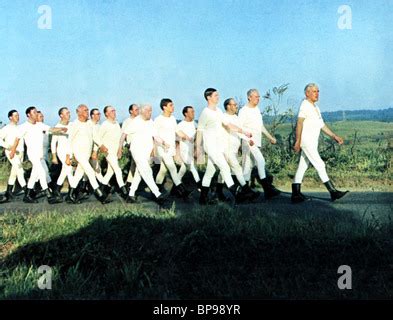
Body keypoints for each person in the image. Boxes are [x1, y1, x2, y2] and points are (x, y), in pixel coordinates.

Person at [195, 88, 255, 204]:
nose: (218, 97)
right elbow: (200, 131)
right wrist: (198, 149)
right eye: (215, 95)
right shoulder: (205, 112)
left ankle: (202, 199)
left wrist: (244, 132)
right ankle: (236, 193)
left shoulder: (218, 111)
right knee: (225, 167)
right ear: (209, 97)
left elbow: (228, 125)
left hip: (219, 145)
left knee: (210, 172)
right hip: (210, 146)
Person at [292, 83, 349, 203]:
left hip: (313, 142)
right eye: (314, 91)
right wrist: (298, 140)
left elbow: (321, 125)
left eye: (318, 91)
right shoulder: (305, 105)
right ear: (307, 93)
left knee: (303, 166)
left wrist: (334, 136)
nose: (317, 94)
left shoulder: (316, 108)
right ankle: (333, 192)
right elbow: (299, 123)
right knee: (320, 164)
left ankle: (296, 194)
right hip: (306, 141)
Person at [9, 106, 65, 204]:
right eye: (34, 112)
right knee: (42, 173)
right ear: (28, 115)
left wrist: (62, 129)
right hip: (33, 155)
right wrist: (13, 150)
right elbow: (17, 139)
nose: (36, 114)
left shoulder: (40, 125)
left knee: (35, 175)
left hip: (41, 155)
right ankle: (49, 196)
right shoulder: (23, 126)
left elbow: (51, 129)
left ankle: (27, 196)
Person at [122, 104, 169, 205]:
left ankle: (130, 194)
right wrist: (119, 148)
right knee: (147, 171)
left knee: (139, 172)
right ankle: (157, 194)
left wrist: (164, 143)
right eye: (148, 111)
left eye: (151, 110)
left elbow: (155, 136)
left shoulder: (151, 122)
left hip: (146, 152)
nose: (150, 113)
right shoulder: (135, 122)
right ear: (142, 111)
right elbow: (124, 134)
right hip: (137, 151)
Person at [238, 89, 281, 199]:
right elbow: (239, 128)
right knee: (260, 160)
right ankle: (267, 189)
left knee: (249, 166)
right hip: (248, 141)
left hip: (256, 141)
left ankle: (243, 192)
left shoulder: (256, 110)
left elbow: (260, 126)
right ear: (249, 97)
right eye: (256, 97)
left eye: (259, 96)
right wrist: (246, 139)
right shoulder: (243, 111)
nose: (258, 99)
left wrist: (270, 137)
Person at [67, 104, 111, 204]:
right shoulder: (75, 124)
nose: (88, 112)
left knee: (78, 174)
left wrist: (101, 145)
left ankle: (70, 195)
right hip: (79, 154)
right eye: (86, 110)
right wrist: (68, 156)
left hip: (86, 154)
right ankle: (101, 196)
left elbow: (95, 136)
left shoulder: (89, 124)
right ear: (79, 112)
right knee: (91, 172)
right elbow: (69, 141)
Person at [219, 98, 259, 202]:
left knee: (223, 171)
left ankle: (218, 193)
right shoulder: (223, 117)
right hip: (225, 148)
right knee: (237, 168)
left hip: (234, 149)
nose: (236, 106)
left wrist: (248, 139)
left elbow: (240, 131)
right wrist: (245, 133)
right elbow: (232, 127)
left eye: (236, 105)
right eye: (234, 104)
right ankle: (247, 191)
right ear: (228, 106)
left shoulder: (236, 117)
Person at [154, 99, 191, 199]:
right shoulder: (158, 120)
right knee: (173, 168)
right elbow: (155, 135)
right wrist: (163, 143)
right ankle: (182, 190)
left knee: (163, 170)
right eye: (170, 105)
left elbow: (177, 131)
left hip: (171, 148)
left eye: (173, 105)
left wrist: (186, 136)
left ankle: (156, 191)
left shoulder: (173, 119)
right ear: (164, 107)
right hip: (162, 148)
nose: (173, 107)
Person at [97, 105, 128, 199]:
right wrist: (101, 148)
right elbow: (98, 138)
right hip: (109, 152)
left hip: (116, 151)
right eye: (111, 111)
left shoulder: (116, 124)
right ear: (106, 114)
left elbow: (120, 138)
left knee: (110, 172)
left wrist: (124, 146)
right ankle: (124, 192)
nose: (114, 112)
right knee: (118, 170)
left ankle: (101, 190)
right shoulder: (104, 125)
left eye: (114, 110)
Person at [0, 110, 27, 203]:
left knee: (14, 172)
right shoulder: (6, 128)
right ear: (10, 117)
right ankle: (28, 191)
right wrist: (8, 146)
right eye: (15, 115)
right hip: (12, 153)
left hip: (21, 152)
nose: (18, 117)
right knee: (20, 171)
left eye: (18, 115)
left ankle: (8, 192)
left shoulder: (19, 128)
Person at [50, 107, 74, 200]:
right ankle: (71, 194)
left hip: (70, 151)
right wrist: (54, 156)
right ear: (61, 115)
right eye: (67, 113)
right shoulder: (57, 127)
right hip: (62, 152)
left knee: (65, 171)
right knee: (69, 170)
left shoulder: (72, 125)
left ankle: (56, 190)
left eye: (69, 113)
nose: (69, 115)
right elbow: (53, 143)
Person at [176, 106, 201, 187]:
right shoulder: (180, 125)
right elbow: (178, 138)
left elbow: (198, 134)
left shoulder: (194, 123)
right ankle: (200, 185)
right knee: (192, 166)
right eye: (191, 111)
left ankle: (176, 185)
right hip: (184, 149)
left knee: (183, 168)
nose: (193, 113)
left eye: (193, 111)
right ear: (186, 114)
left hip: (192, 148)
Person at [119, 103, 139, 188]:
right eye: (136, 110)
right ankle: (130, 184)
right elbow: (123, 134)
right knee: (135, 163)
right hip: (131, 146)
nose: (138, 111)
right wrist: (124, 145)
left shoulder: (139, 120)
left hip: (140, 144)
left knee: (134, 164)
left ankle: (129, 183)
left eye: (138, 109)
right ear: (131, 111)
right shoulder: (127, 122)